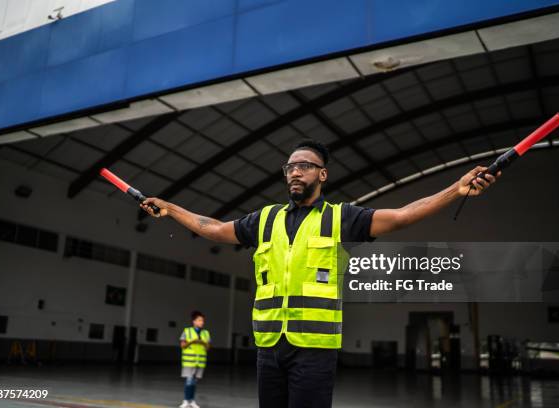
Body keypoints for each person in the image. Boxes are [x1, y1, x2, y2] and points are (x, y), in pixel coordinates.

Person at [141, 139, 499, 408]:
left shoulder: (340, 218)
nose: (295, 171)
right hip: (268, 348)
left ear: (322, 174)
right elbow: (215, 229)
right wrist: (171, 208)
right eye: (290, 167)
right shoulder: (265, 219)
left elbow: (402, 214)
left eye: (305, 166)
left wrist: (456, 189)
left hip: (314, 350)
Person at [179, 310, 211, 408]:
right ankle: (185, 401)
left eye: (203, 321)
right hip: (189, 361)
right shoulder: (187, 331)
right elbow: (183, 345)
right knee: (189, 381)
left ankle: (192, 401)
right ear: (194, 321)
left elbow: (208, 347)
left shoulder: (206, 333)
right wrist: (192, 341)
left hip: (200, 362)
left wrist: (203, 343)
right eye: (200, 320)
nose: (202, 322)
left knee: (194, 383)